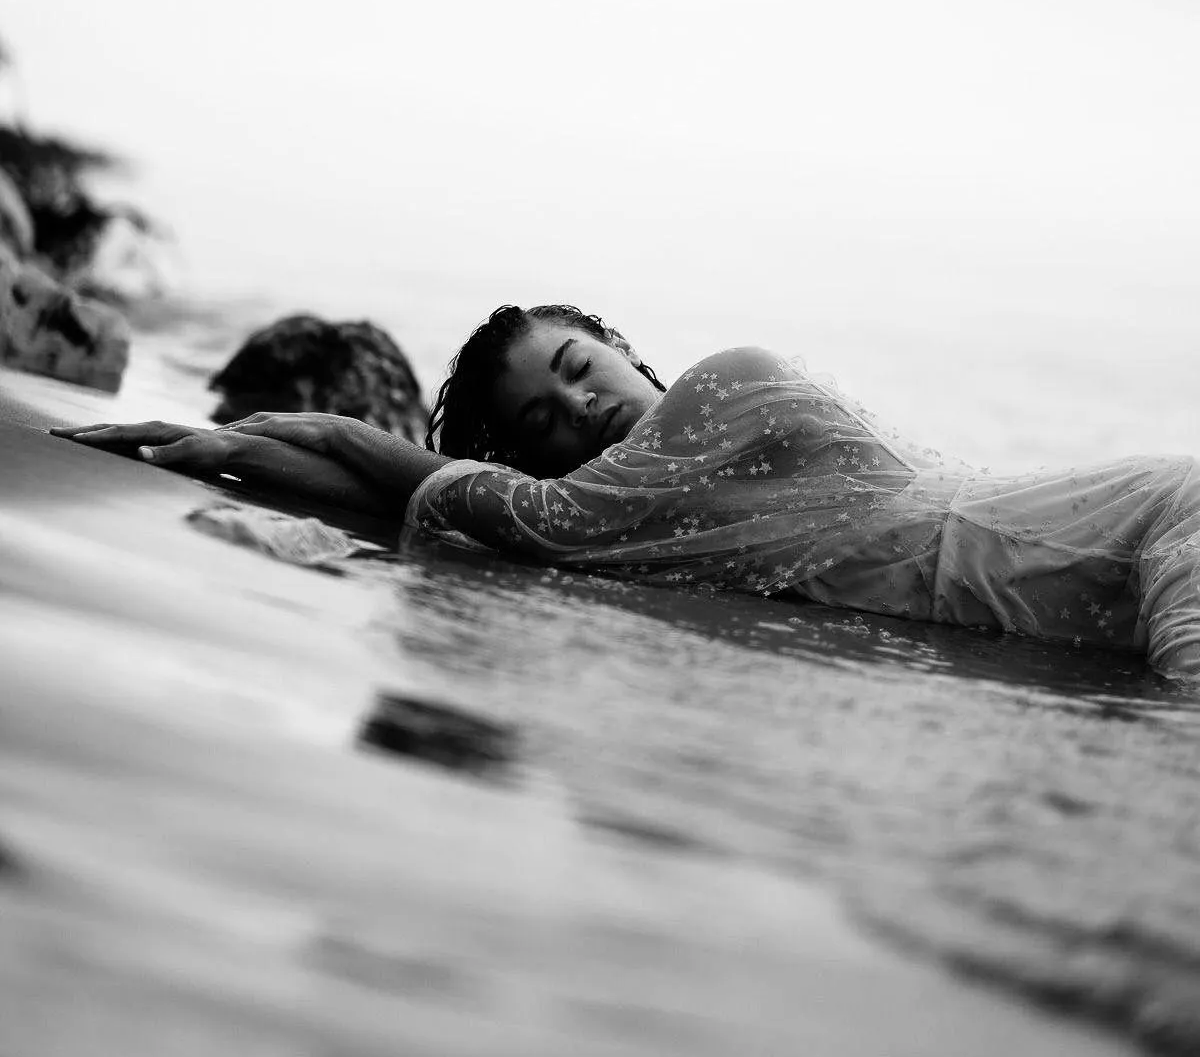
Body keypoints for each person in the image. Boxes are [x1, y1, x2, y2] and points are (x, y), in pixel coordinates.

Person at [54, 302, 1200, 679]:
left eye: (578, 368)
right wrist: (243, 459)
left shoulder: (733, 384)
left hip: (1149, 526)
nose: (578, 407)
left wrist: (327, 429)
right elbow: (482, 520)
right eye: (540, 425)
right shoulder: (648, 539)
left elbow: (527, 516)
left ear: (630, 356)